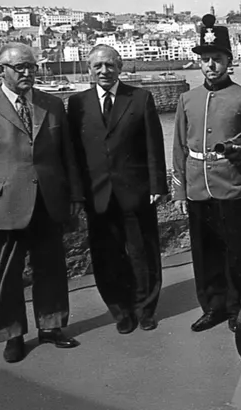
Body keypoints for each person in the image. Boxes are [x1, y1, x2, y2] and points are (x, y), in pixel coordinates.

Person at [0, 43, 83, 363]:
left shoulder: (51, 104)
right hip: (6, 204)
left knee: (52, 269)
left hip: (49, 201)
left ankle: (51, 326)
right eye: (20, 68)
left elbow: (67, 155)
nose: (28, 73)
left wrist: (74, 195)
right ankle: (12, 335)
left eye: (32, 67)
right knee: (8, 275)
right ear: (1, 70)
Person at [67, 44, 168, 334]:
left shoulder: (140, 98)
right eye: (97, 66)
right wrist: (77, 193)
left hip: (136, 191)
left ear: (120, 67)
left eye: (110, 65)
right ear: (89, 69)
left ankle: (145, 309)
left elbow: (153, 144)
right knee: (106, 257)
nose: (104, 71)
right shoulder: (77, 103)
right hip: (97, 194)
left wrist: (157, 185)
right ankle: (120, 311)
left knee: (142, 254)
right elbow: (73, 153)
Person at [172, 14, 241, 333]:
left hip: (234, 187)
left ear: (229, 61)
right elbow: (179, 147)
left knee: (236, 255)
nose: (211, 65)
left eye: (217, 59)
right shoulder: (187, 99)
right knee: (204, 253)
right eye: (205, 59)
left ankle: (237, 308)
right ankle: (213, 307)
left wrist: (235, 150)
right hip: (198, 188)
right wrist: (180, 191)